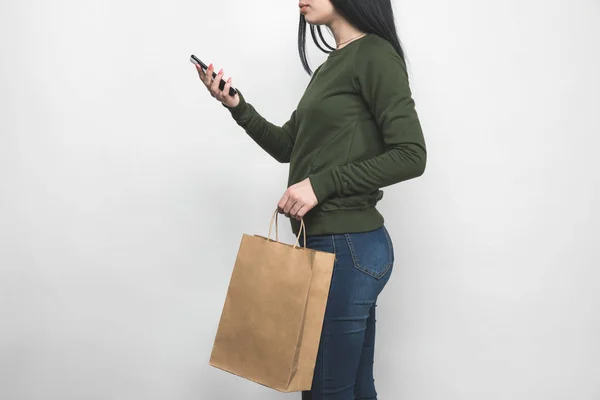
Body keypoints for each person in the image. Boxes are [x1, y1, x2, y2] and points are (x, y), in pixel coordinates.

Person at [195, 0, 426, 398]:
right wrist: (237, 106)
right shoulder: (332, 65)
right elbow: (289, 146)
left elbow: (411, 154)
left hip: (347, 248)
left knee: (324, 391)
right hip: (330, 247)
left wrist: (321, 184)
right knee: (351, 389)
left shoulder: (374, 54)